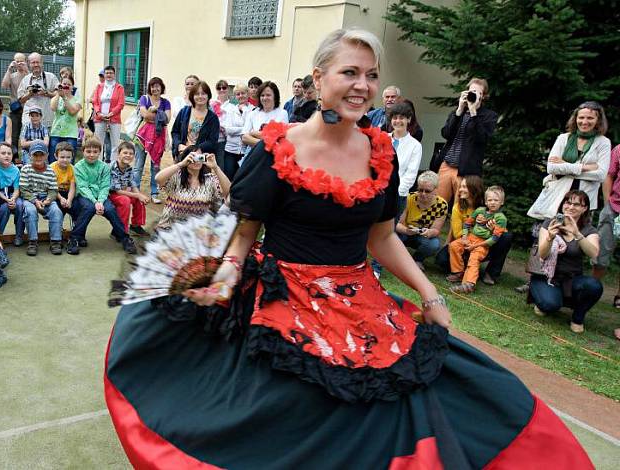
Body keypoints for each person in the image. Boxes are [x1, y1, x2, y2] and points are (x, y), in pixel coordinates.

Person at [104, 28, 592, 469]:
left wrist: (430, 294)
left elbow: (380, 239)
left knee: (447, 392)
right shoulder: (276, 150)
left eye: (372, 76)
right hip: (284, 296)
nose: (363, 85)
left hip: (360, 300)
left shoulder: (380, 152)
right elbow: (245, 231)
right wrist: (225, 278)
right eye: (350, 72)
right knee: (288, 407)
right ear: (319, 79)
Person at [532, 190, 602, 334]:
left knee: (594, 286)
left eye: (577, 204)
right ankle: (547, 299)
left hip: (572, 279)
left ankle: (577, 318)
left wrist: (577, 233)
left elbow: (594, 253)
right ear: (563, 204)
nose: (571, 207)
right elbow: (542, 254)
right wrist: (550, 238)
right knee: (549, 305)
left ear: (585, 209)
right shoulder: (550, 223)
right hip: (546, 277)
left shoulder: (589, 230)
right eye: (568, 202)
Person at [528, 101, 611, 220]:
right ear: (575, 118)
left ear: (598, 120)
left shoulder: (603, 142)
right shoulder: (563, 139)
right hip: (557, 197)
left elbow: (600, 175)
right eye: (581, 117)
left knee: (578, 236)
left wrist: (564, 166)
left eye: (590, 118)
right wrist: (584, 167)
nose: (584, 122)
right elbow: (551, 168)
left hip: (584, 201)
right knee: (550, 234)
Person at [431, 78, 498, 205]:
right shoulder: (458, 112)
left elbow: (481, 138)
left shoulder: (489, 116)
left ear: (483, 96)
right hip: (446, 165)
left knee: (461, 208)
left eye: (478, 92)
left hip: (466, 170)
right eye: (471, 91)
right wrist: (459, 111)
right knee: (438, 205)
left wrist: (473, 112)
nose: (473, 94)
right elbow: (446, 134)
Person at [73, 137, 137, 254]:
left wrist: (101, 201)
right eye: (88, 151)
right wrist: (95, 202)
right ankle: (75, 238)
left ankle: (124, 237)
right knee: (89, 207)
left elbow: (104, 186)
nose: (91, 155)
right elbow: (83, 187)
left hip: (101, 197)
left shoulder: (104, 167)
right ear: (83, 152)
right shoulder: (78, 166)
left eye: (95, 152)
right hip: (85, 196)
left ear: (100, 152)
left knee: (110, 209)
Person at [447, 186, 508, 294]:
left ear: (502, 202)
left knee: (474, 258)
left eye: (496, 200)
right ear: (485, 201)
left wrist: (473, 247)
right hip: (470, 237)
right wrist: (465, 237)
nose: (493, 203)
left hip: (483, 243)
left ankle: (469, 284)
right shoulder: (480, 210)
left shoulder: (501, 218)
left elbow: (494, 239)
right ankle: (458, 272)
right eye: (490, 200)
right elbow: (467, 223)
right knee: (454, 245)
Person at [154, 145, 230, 230]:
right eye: (193, 157)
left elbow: (228, 191)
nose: (196, 160)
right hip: (170, 228)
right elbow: (158, 179)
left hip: (196, 232)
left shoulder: (210, 180)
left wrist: (216, 168)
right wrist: (181, 164)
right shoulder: (176, 177)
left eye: (199, 157)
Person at [396, 170, 447, 270]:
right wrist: (407, 231)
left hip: (421, 236)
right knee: (393, 235)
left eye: (427, 191)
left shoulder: (442, 205)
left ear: (435, 190)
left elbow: (436, 230)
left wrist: (429, 232)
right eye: (420, 190)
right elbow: (397, 224)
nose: (423, 193)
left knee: (434, 244)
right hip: (404, 232)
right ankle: (397, 257)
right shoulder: (409, 198)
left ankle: (417, 259)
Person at [18, 140, 63, 256]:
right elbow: (23, 189)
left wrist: (49, 199)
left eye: (41, 154)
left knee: (56, 211)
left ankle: (55, 241)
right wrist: (34, 200)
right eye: (35, 155)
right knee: (30, 211)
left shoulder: (50, 170)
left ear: (47, 155)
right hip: (30, 198)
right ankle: (32, 241)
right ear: (30, 155)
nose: (38, 157)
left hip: (45, 197)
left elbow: (53, 189)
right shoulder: (25, 169)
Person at [133, 77, 171, 203]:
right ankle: (136, 191)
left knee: (155, 166)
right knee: (138, 165)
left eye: (157, 86)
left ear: (161, 87)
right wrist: (159, 116)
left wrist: (152, 116)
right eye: (152, 86)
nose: (155, 88)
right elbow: (144, 114)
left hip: (159, 138)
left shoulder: (166, 102)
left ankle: (154, 193)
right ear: (150, 88)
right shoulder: (144, 99)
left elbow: (167, 119)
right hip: (143, 136)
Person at [50, 142, 86, 255]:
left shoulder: (72, 169)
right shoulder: (52, 168)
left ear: (72, 157)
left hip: (69, 194)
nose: (65, 160)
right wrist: (61, 199)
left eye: (68, 157)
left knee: (78, 209)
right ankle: (57, 237)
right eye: (62, 157)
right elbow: (52, 187)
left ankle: (78, 235)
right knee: (58, 211)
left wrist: (69, 200)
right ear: (56, 156)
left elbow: (72, 187)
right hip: (55, 193)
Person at [595, 144, 620, 306]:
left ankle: (619, 297)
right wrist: (607, 204)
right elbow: (609, 175)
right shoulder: (619, 149)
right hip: (613, 207)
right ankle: (592, 289)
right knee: (600, 254)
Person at [389, 101, 422, 218]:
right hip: (379, 194)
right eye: (395, 117)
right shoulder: (382, 138)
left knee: (390, 230)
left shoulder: (415, 145)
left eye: (401, 118)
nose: (397, 121)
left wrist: (396, 193)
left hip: (399, 196)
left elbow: (410, 175)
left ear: (409, 119)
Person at [171, 80, 220, 157]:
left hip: (201, 157)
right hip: (183, 154)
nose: (200, 96)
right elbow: (175, 132)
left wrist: (196, 149)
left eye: (203, 93)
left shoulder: (213, 117)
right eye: (197, 94)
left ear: (208, 96)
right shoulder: (184, 112)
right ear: (192, 96)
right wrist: (179, 145)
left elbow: (213, 140)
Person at [110, 141, 149, 236]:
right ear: (118, 154)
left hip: (123, 192)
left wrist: (139, 195)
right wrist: (137, 195)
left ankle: (136, 225)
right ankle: (120, 230)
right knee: (125, 201)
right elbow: (117, 191)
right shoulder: (112, 167)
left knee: (139, 199)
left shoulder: (129, 168)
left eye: (131, 154)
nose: (128, 155)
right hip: (111, 194)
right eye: (125, 153)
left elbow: (133, 184)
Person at [241, 81, 289, 154]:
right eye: (262, 95)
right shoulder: (253, 113)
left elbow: (278, 138)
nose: (265, 98)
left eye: (268, 95)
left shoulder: (282, 113)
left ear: (275, 96)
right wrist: (267, 144)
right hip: (254, 155)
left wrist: (252, 134)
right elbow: (244, 137)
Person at [0, 142, 23, 241]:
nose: (7, 156)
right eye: (3, 153)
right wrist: (7, 200)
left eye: (9, 153)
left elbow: (17, 189)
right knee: (5, 208)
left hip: (11, 194)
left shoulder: (16, 170)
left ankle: (19, 235)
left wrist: (13, 199)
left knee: (20, 205)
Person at [220, 84, 253, 180]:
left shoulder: (253, 110)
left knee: (242, 179)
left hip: (246, 151)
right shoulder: (231, 110)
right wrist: (245, 129)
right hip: (231, 150)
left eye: (243, 93)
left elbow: (252, 130)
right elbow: (229, 130)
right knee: (229, 178)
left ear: (248, 94)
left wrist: (245, 111)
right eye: (238, 94)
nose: (240, 96)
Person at [91, 65, 123, 162]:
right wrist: (98, 113)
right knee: (98, 143)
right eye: (107, 73)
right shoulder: (99, 86)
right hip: (100, 118)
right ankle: (98, 164)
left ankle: (113, 165)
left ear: (114, 74)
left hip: (114, 118)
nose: (109, 75)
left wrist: (111, 113)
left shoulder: (119, 87)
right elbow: (95, 101)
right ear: (104, 75)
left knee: (115, 144)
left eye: (111, 73)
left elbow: (121, 103)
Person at [18, 52, 59, 128]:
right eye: (33, 62)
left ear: (42, 63)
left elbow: (59, 94)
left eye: (38, 62)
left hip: (47, 120)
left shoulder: (51, 77)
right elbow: (20, 100)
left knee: (46, 140)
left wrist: (46, 93)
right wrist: (29, 94)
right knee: (27, 140)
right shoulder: (25, 80)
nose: (36, 65)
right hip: (28, 121)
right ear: (29, 64)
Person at [0, 52, 29, 150]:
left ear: (26, 62)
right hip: (15, 108)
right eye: (17, 61)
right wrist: (9, 69)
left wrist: (26, 70)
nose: (20, 64)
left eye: (22, 61)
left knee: (28, 134)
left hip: (28, 109)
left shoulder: (29, 75)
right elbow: (4, 85)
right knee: (14, 134)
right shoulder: (12, 75)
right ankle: (14, 155)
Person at [48, 75, 81, 160]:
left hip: (71, 134)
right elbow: (53, 108)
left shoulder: (77, 99)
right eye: (64, 84)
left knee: (69, 159)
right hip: (56, 132)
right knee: (53, 158)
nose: (66, 86)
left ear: (72, 87)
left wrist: (64, 97)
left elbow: (73, 112)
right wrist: (59, 95)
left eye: (68, 84)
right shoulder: (56, 98)